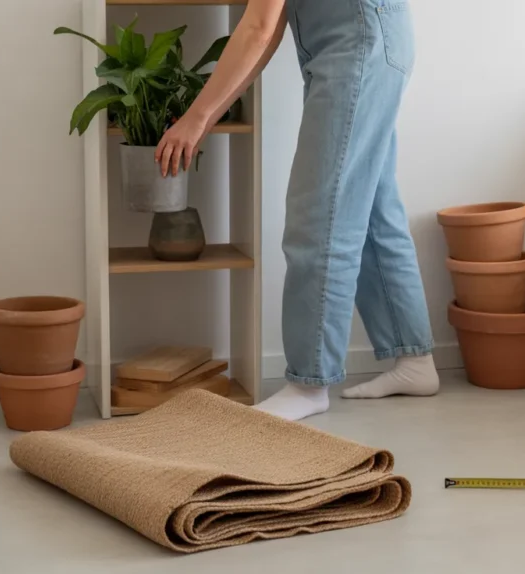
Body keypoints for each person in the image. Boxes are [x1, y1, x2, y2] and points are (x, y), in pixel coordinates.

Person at [156, 0, 438, 421]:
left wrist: (197, 119)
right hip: (369, 41)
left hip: (357, 45)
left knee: (319, 220)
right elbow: (266, 32)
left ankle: (309, 384)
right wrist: (206, 115)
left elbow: (258, 27)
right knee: (375, 209)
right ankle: (414, 360)